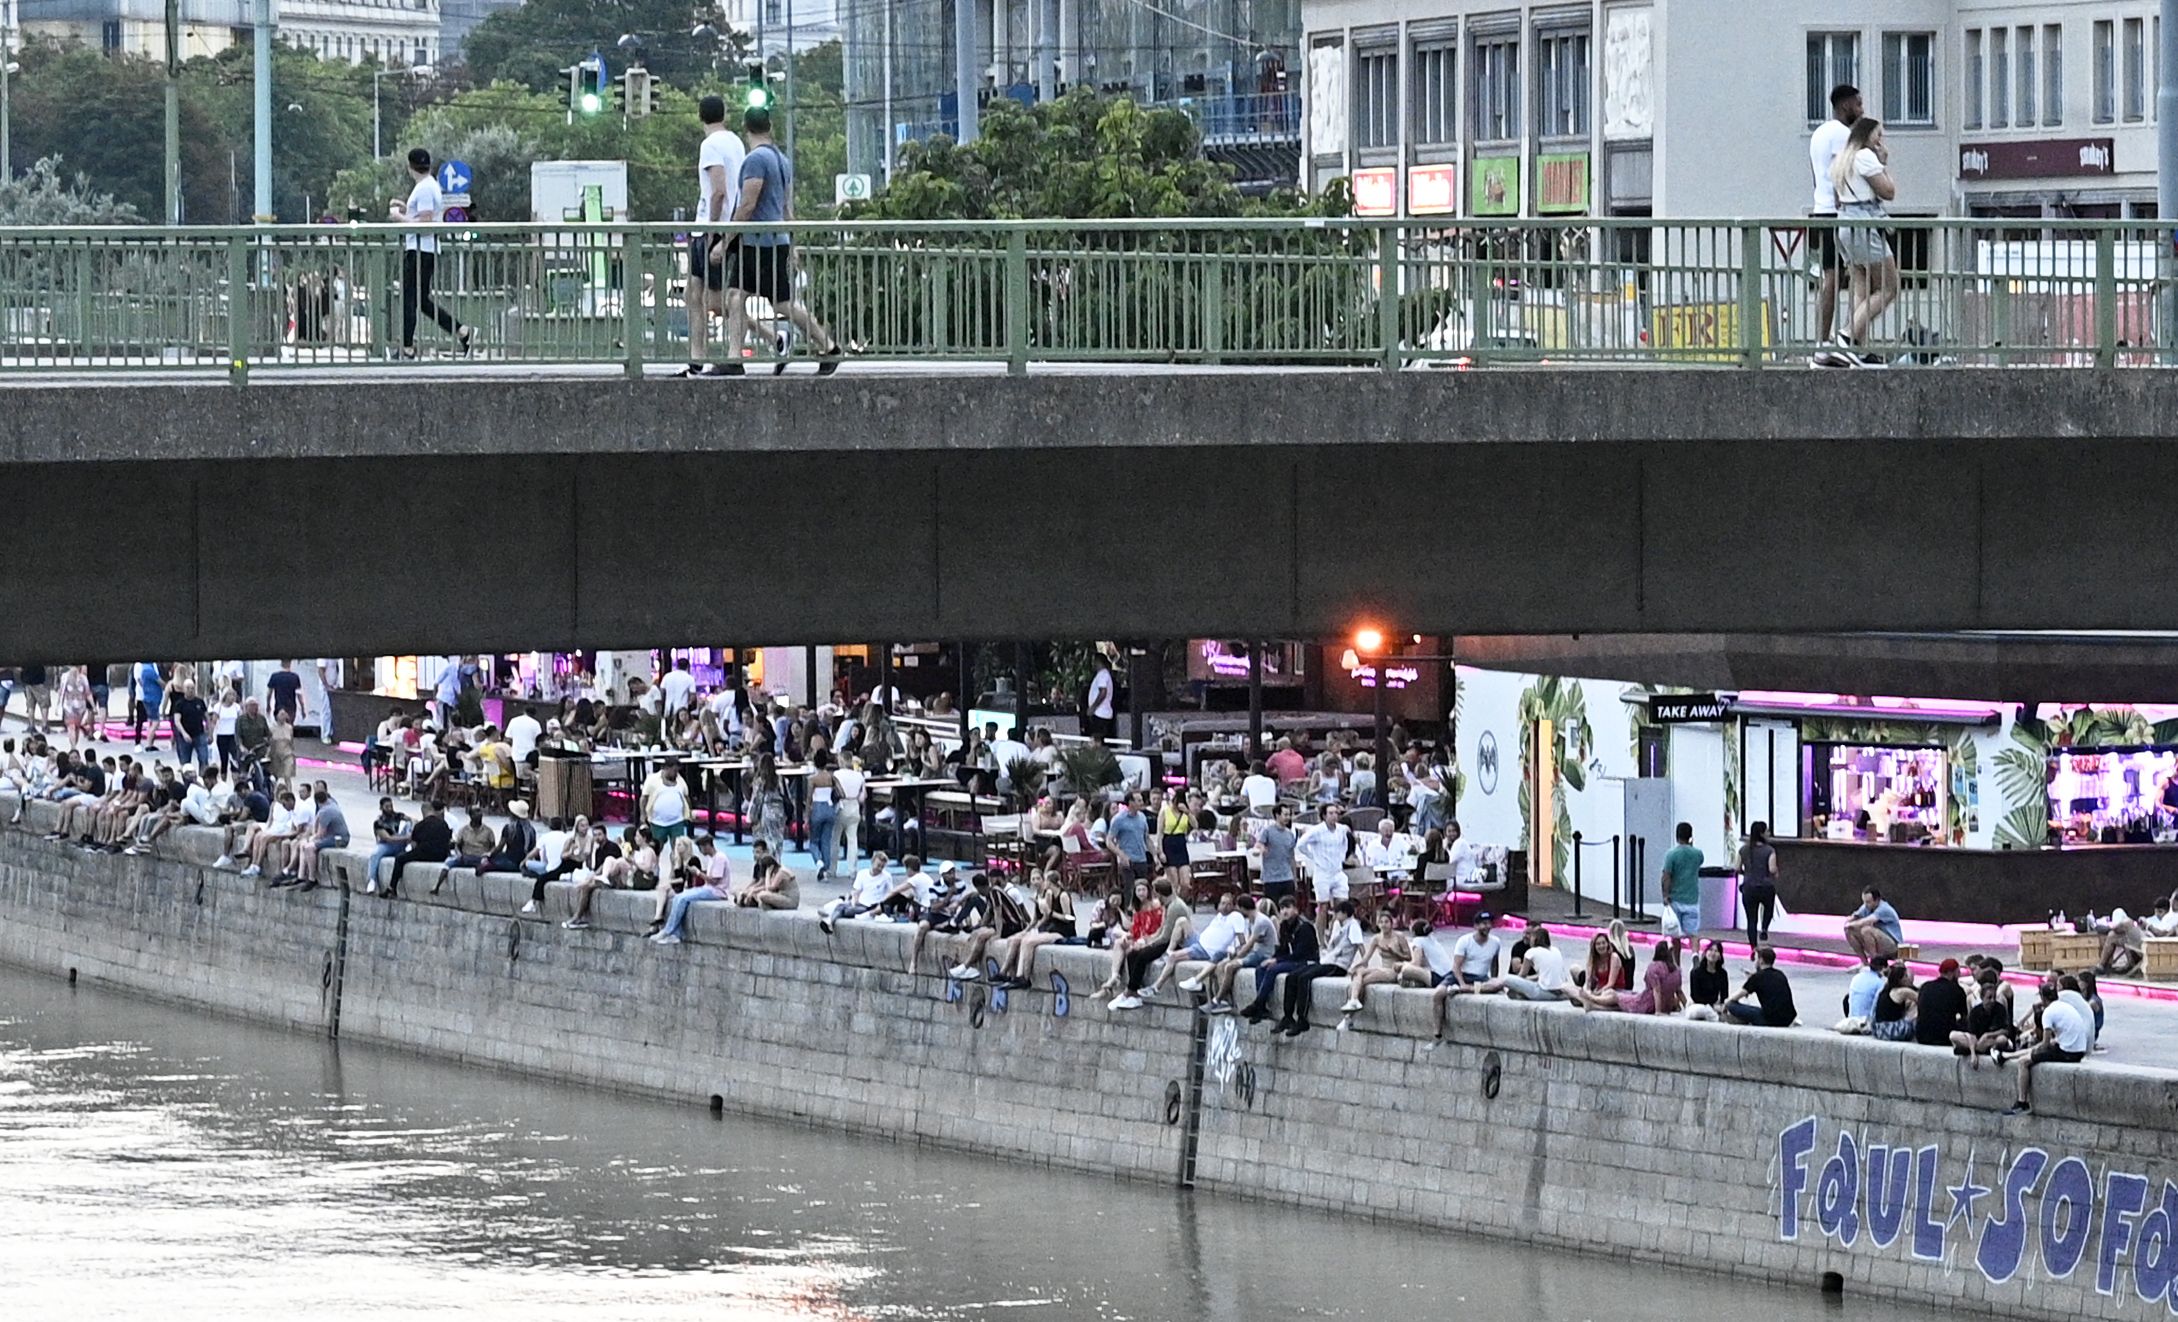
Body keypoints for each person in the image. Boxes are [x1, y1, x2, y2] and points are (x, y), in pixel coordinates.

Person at [721, 105, 843, 375]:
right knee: (736, 295)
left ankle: (829, 346)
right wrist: (793, 242)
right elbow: (786, 207)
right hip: (775, 240)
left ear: (746, 128)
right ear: (770, 127)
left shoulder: (755, 161)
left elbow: (748, 204)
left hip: (758, 243)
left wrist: (725, 239)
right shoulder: (781, 160)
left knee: (780, 303)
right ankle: (733, 358)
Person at [682, 94, 749, 377]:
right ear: (724, 114)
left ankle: (770, 336)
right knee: (694, 293)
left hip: (711, 229)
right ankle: (696, 357)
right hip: (730, 226)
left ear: (700, 116)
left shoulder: (709, 145)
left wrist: (711, 229)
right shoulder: (736, 142)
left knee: (711, 300)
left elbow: (718, 190)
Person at [1824, 115, 1899, 367]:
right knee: (1889, 287)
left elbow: (1837, 199)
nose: (1881, 140)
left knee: (1861, 288)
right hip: (1864, 224)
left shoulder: (1841, 160)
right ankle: (1847, 336)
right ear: (1868, 135)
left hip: (1844, 224)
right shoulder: (1865, 157)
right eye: (1879, 135)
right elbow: (1888, 192)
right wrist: (1883, 164)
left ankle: (1859, 348)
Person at [390, 147, 473, 357]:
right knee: (420, 301)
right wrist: (405, 208)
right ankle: (462, 331)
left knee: (410, 299)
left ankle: (407, 348)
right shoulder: (429, 185)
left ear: (410, 167)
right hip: (424, 249)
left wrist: (398, 217)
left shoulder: (425, 188)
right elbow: (424, 215)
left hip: (420, 250)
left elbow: (425, 221)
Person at [1808, 82, 1863, 359]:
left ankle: (1823, 338)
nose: (1861, 110)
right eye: (1858, 104)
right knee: (1840, 275)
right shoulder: (1844, 135)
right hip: (1839, 212)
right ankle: (1836, 339)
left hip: (1820, 209)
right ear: (1845, 106)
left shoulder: (1818, 133)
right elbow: (1847, 174)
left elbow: (1817, 175)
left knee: (1829, 275)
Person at [2002, 981, 2091, 1115]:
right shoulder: (2065, 1006)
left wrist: (2033, 1052)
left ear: (2043, 998)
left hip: (2068, 1053)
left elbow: (2044, 1044)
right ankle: (2005, 1056)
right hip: (2079, 1050)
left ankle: (2022, 1102)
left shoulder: (2048, 1013)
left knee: (2023, 1062)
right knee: (2038, 1051)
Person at [1108, 878, 1188, 1011]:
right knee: (1132, 954)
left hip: (1174, 942)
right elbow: (1161, 930)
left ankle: (1129, 992)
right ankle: (1133, 994)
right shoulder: (1168, 905)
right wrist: (1147, 940)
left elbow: (1165, 936)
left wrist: (1147, 945)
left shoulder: (1175, 907)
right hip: (1165, 939)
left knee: (1142, 956)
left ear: (1160, 894)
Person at [1575, 939, 1683, 1015]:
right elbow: (1679, 992)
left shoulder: (1654, 968)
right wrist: (1685, 1006)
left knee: (1615, 996)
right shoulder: (1677, 971)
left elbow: (1657, 991)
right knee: (1618, 1000)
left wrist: (1658, 1011)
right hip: (1663, 1006)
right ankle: (1592, 1005)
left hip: (1646, 1004)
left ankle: (1591, 998)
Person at [386, 801, 454, 898]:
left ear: (423, 812)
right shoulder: (444, 824)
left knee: (400, 858)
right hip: (441, 856)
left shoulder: (420, 825)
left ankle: (392, 887)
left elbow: (414, 845)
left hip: (425, 854)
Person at [1725, 945, 1798, 1027]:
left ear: (1761, 960)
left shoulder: (1757, 978)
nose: (1755, 962)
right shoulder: (1780, 974)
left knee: (1731, 1005)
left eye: (1756, 959)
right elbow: (1767, 981)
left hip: (1770, 1020)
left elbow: (1736, 996)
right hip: (1788, 1018)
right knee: (1754, 1010)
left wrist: (1725, 1003)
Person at [1914, 958, 1971, 1049]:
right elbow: (1964, 1015)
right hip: (1944, 1036)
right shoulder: (1957, 990)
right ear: (1952, 973)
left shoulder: (1925, 987)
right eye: (1958, 972)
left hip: (1922, 1035)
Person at [1738, 821, 1779, 946]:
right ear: (1762, 833)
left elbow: (1736, 867)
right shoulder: (1769, 850)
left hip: (1749, 888)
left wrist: (1745, 872)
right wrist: (1777, 872)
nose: (1769, 833)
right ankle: (1765, 928)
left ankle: (1753, 947)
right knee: (1768, 909)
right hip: (1765, 887)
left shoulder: (1744, 849)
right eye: (1767, 831)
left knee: (1751, 919)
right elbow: (1772, 869)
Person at [1660, 821, 1702, 938]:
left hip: (1676, 899)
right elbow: (1698, 863)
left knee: (1675, 933)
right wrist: (1691, 845)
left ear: (1676, 836)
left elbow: (1666, 876)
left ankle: (1677, 957)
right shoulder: (1698, 854)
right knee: (1693, 933)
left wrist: (1665, 894)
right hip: (1692, 899)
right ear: (1690, 836)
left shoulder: (1671, 855)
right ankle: (1694, 953)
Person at [1844, 886, 1903, 961]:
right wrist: (1849, 921)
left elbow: (1866, 921)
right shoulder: (1867, 907)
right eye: (1864, 902)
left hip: (1893, 946)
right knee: (1849, 931)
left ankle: (1875, 963)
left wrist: (1850, 924)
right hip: (1880, 942)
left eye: (1868, 902)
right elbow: (1855, 915)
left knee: (1867, 930)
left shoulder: (1884, 909)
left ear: (1877, 900)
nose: (1866, 904)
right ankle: (1864, 963)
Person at [1685, 940, 1731, 1019]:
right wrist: (1712, 1006)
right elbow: (1695, 997)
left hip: (1714, 1007)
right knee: (1698, 1011)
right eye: (1710, 950)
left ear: (1720, 956)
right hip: (1698, 1006)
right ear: (1706, 953)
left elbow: (1724, 996)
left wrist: (1722, 1006)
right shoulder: (1696, 972)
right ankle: (1716, 1018)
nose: (1713, 953)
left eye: (1716, 951)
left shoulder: (1722, 974)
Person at [2099, 908, 2147, 976]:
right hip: (2141, 946)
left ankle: (2102, 965)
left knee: (2111, 935)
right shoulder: (2130, 923)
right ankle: (2103, 965)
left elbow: (2114, 929)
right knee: (2113, 936)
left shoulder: (2125, 923)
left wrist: (2098, 926)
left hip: (2141, 949)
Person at [264, 661, 305, 728]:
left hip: (278, 706)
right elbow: (299, 695)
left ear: (281, 664)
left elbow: (269, 693)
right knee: (289, 729)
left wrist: (268, 706)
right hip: (291, 708)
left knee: (279, 728)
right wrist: (303, 709)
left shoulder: (274, 676)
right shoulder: (295, 677)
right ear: (290, 663)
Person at [1084, 656, 1116, 739]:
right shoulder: (1102, 675)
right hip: (1099, 713)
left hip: (1100, 714)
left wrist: (1093, 707)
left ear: (1098, 662)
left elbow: (1103, 692)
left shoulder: (1103, 674)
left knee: (1098, 739)